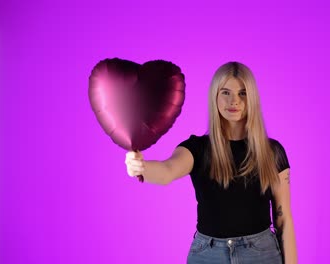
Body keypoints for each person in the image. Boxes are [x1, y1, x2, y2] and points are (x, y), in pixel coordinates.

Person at [125, 62, 297, 263]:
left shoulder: (272, 152)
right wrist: (141, 167)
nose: (234, 101)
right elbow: (167, 171)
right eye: (225, 92)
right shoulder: (197, 148)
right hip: (208, 254)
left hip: (261, 253)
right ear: (215, 96)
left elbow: (283, 219)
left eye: (242, 93)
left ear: (253, 99)